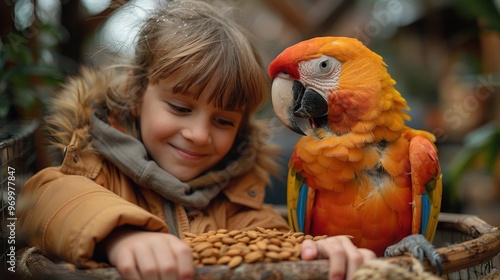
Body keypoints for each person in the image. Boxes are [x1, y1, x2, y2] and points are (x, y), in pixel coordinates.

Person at [17, 1, 376, 279]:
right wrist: (120, 235)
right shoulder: (94, 171)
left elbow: (269, 241)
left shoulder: (240, 205)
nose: (199, 135)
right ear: (137, 94)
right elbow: (41, 200)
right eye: (179, 108)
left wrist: (317, 252)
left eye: (222, 120)